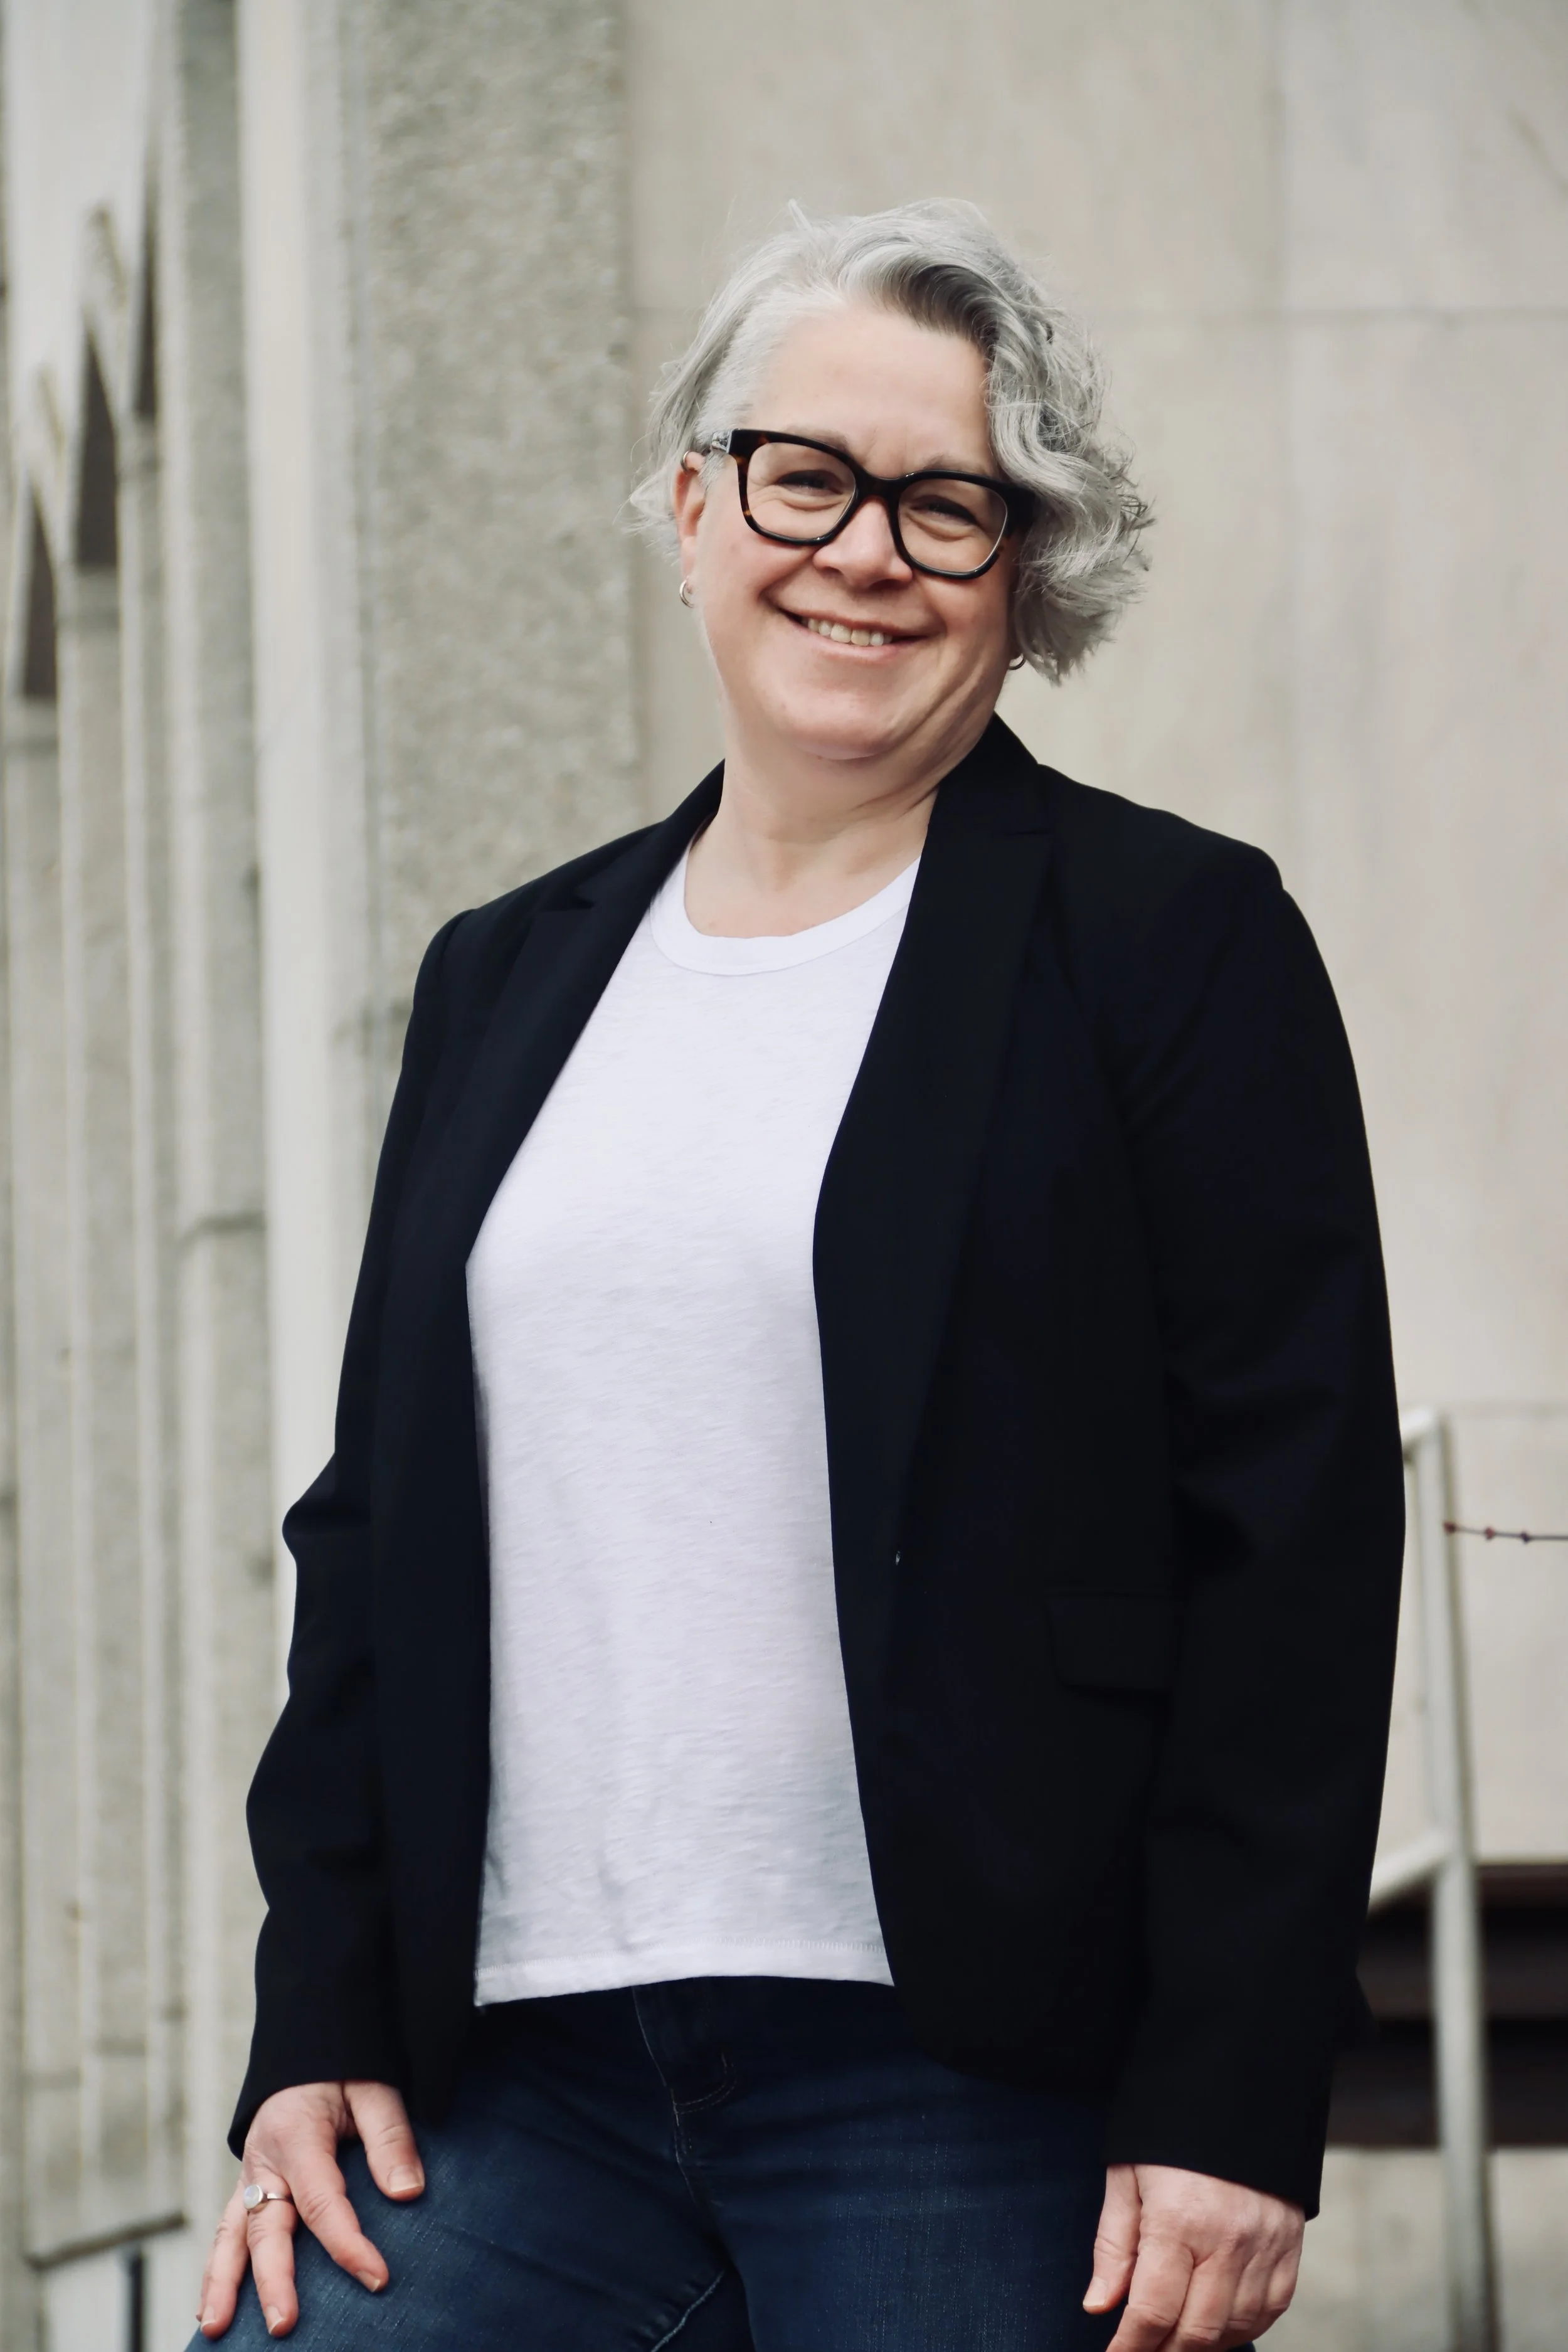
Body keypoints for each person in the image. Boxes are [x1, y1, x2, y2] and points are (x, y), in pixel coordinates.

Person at [193, 202, 1404, 2352]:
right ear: (692, 507)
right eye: (803, 477)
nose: (864, 552)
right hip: (511, 2070)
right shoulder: (506, 974)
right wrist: (313, 2019)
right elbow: (373, 1526)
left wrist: (1230, 2093)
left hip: (966, 2074)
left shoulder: (1166, 939)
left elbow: (1290, 1544)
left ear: (1018, 574)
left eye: (946, 503)